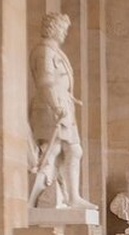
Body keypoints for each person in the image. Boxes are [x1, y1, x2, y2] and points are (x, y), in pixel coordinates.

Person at [27, 12, 97, 210]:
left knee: (71, 150)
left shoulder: (53, 51)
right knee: (54, 150)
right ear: (54, 28)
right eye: (63, 29)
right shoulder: (44, 52)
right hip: (50, 105)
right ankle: (44, 193)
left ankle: (70, 196)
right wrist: (56, 106)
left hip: (62, 104)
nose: (65, 33)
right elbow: (45, 82)